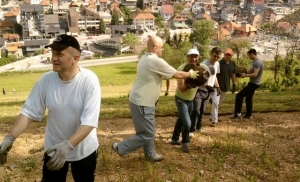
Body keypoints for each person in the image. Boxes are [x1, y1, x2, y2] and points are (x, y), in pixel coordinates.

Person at [0, 34, 101, 182]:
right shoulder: (46, 80)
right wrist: (10, 137)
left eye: (60, 54)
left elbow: (89, 122)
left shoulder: (89, 81)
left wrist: (67, 146)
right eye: (53, 53)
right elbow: (29, 111)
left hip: (84, 150)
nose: (54, 58)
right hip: (53, 149)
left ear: (75, 58)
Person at [111, 36, 199, 162]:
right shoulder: (155, 60)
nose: (162, 49)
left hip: (143, 101)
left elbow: (157, 76)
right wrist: (191, 74)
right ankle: (121, 148)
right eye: (161, 47)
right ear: (154, 48)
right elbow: (177, 74)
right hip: (143, 102)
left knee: (147, 130)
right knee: (147, 133)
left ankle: (150, 154)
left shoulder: (145, 58)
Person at [171, 48, 201, 153]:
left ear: (198, 58)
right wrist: (193, 84)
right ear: (187, 57)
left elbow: (205, 75)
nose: (193, 58)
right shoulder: (182, 69)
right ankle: (185, 143)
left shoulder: (199, 68)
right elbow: (182, 89)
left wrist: (208, 86)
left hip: (191, 99)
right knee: (187, 123)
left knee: (182, 119)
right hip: (181, 99)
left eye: (195, 56)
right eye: (191, 56)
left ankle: (174, 139)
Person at [190, 47, 221, 133]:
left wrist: (217, 86)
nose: (216, 58)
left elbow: (214, 77)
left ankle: (199, 127)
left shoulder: (217, 64)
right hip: (200, 90)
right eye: (214, 56)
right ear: (211, 54)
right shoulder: (204, 64)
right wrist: (206, 86)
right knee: (196, 110)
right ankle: (191, 129)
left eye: (218, 57)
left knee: (202, 111)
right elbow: (198, 79)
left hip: (209, 90)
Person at [231, 48, 263, 119]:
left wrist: (244, 75)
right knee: (248, 98)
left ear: (252, 54)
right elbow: (250, 72)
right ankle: (249, 115)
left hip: (254, 83)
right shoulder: (254, 62)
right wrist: (241, 74)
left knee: (239, 96)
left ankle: (238, 114)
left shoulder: (258, 62)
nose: (249, 57)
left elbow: (255, 74)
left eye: (249, 55)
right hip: (252, 83)